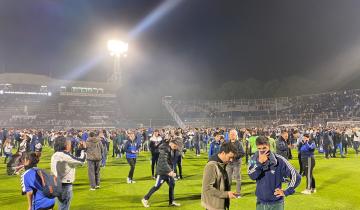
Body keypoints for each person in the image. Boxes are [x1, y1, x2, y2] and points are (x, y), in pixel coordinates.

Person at [248, 136, 301, 210]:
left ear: (269, 147)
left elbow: (296, 176)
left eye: (264, 148)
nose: (262, 151)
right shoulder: (253, 159)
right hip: (260, 202)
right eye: (259, 149)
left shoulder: (279, 159)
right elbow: (251, 176)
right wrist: (259, 163)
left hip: (277, 203)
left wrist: (286, 191)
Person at [142, 137, 183, 208]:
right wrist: (170, 171)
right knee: (157, 186)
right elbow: (163, 162)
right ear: (172, 143)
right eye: (176, 146)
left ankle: (171, 202)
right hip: (162, 171)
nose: (176, 148)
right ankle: (145, 199)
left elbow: (171, 162)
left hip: (168, 171)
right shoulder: (165, 149)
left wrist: (172, 171)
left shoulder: (173, 149)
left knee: (172, 184)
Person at [51, 136, 86, 210]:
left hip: (56, 184)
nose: (71, 145)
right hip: (65, 185)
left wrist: (79, 150)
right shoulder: (64, 155)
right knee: (64, 207)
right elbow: (81, 161)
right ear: (65, 145)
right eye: (69, 144)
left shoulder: (55, 154)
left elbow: (73, 160)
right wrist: (83, 149)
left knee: (61, 206)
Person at [201, 142, 239, 210]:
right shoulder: (211, 166)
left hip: (218, 204)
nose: (231, 160)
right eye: (230, 157)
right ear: (223, 153)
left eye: (233, 158)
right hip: (213, 206)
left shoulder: (221, 163)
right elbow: (207, 189)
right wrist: (226, 194)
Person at [226, 129, 245, 196]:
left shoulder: (239, 143)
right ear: (229, 135)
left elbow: (242, 153)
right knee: (228, 178)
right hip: (228, 163)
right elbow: (223, 152)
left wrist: (233, 157)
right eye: (231, 134)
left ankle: (238, 193)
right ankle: (228, 192)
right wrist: (227, 157)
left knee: (238, 178)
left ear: (236, 135)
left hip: (237, 163)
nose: (232, 135)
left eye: (233, 134)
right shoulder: (226, 143)